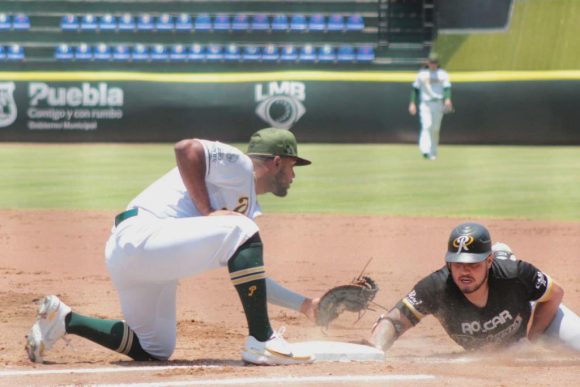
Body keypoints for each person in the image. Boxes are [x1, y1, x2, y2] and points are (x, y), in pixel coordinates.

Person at [26, 128, 320, 366]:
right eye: (293, 166)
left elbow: (250, 276)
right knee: (244, 230)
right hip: (142, 236)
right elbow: (186, 148)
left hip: (139, 257)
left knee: (155, 348)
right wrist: (207, 211)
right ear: (277, 162)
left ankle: (65, 319)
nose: (294, 177)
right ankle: (262, 340)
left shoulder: (245, 207)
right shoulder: (240, 164)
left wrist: (305, 305)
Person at [370, 222, 580, 353]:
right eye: (458, 264)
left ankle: (503, 254)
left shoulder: (515, 273)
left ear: (489, 261)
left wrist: (532, 338)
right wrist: (376, 348)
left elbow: (555, 294)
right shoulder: (437, 287)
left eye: (473, 264)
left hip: (534, 312)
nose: (464, 271)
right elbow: (394, 320)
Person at [408, 52, 453, 160]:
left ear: (438, 63)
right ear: (428, 62)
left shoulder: (443, 74)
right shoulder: (422, 74)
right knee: (426, 125)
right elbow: (415, 89)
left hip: (438, 103)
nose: (433, 64)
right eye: (431, 62)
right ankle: (425, 151)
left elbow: (447, 88)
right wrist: (412, 102)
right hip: (426, 104)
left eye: (435, 62)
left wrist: (447, 99)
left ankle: (433, 152)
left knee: (435, 129)